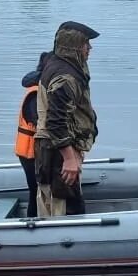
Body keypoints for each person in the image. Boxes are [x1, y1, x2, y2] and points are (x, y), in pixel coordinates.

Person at [33, 21, 99, 217]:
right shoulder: (66, 77)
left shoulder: (59, 64)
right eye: (87, 44)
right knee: (64, 205)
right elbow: (56, 121)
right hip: (56, 153)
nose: (90, 49)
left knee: (60, 199)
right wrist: (69, 158)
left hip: (54, 149)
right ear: (76, 46)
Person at [14, 53, 49, 217]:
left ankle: (35, 219)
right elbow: (40, 122)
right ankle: (33, 221)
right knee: (36, 190)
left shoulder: (38, 89)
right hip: (31, 151)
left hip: (31, 149)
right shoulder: (36, 93)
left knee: (35, 190)